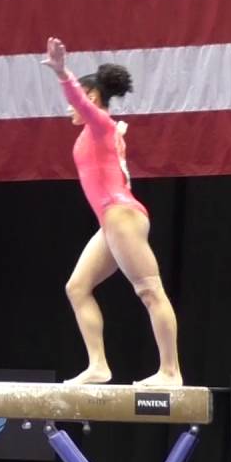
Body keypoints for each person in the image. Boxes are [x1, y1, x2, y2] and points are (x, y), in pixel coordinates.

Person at [40, 37, 183, 387]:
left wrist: (62, 74)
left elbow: (83, 106)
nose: (69, 109)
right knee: (77, 287)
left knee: (149, 290)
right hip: (111, 220)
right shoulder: (102, 132)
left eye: (76, 102)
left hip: (121, 215)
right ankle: (98, 365)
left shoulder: (101, 123)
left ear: (90, 97)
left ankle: (170, 371)